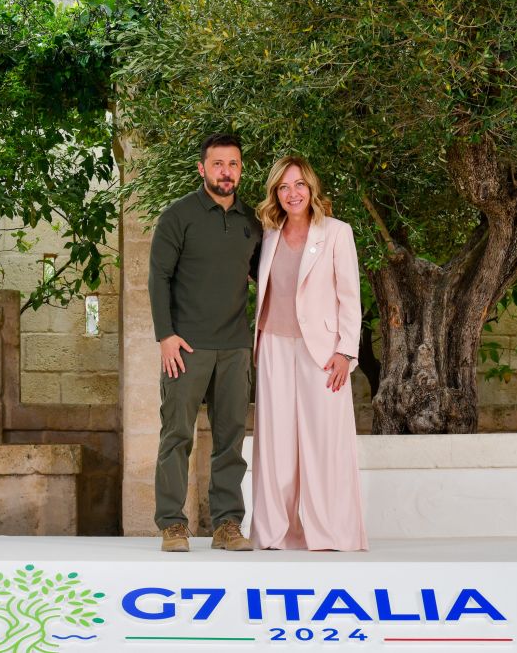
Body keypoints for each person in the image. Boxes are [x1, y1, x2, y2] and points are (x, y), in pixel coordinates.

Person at [148, 133, 263, 552]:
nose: (225, 172)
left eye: (233, 164)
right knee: (177, 435)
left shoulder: (252, 222)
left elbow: (266, 277)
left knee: (230, 439)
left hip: (235, 347)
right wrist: (166, 336)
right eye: (218, 164)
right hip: (186, 347)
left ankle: (227, 524)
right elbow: (158, 278)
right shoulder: (178, 216)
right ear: (202, 168)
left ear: (241, 170)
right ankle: (172, 524)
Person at [249, 155, 368, 551]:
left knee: (323, 442)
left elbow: (350, 297)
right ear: (275, 193)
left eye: (299, 184)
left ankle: (330, 532)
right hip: (273, 345)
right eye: (284, 187)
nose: (292, 193)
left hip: (323, 352)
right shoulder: (267, 235)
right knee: (275, 443)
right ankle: (275, 533)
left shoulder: (337, 232)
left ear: (311, 188)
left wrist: (346, 352)